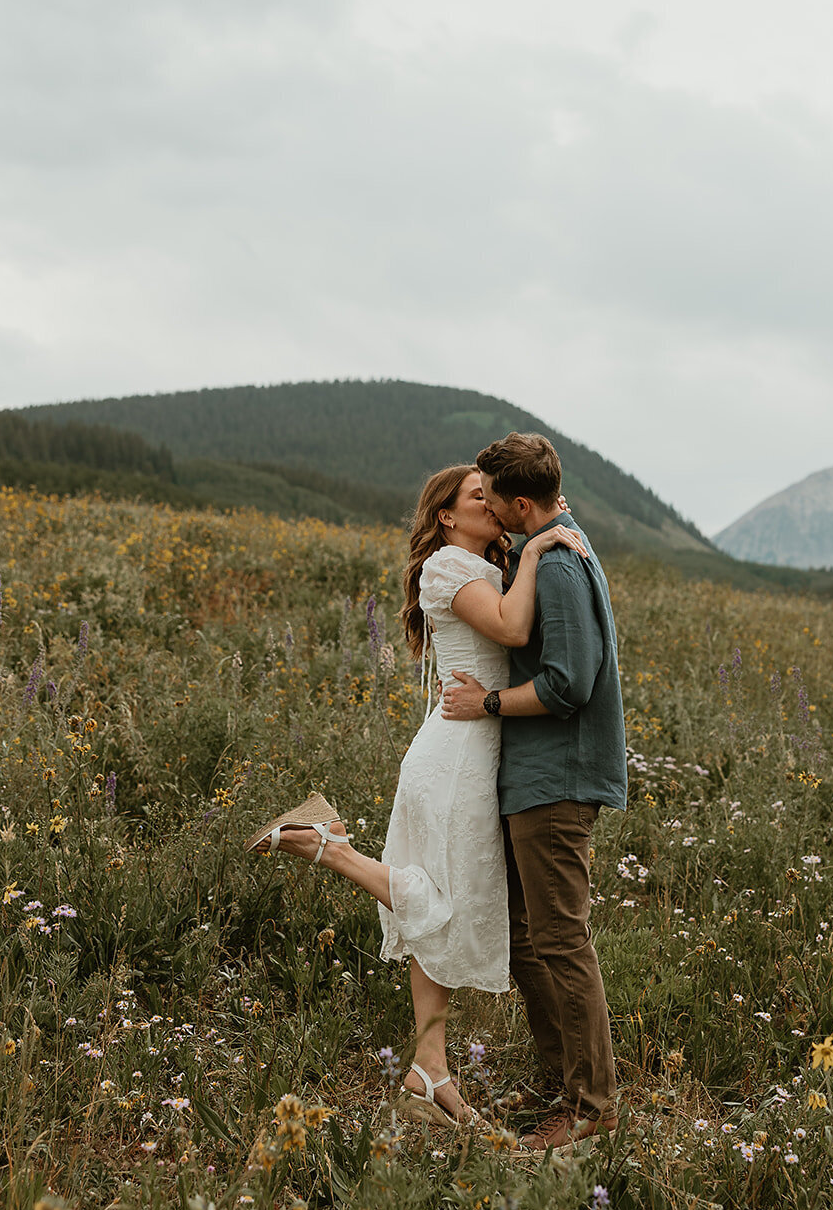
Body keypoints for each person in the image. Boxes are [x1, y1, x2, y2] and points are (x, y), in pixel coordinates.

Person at [245, 463, 587, 1129]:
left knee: (441, 897)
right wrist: (543, 543)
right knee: (451, 903)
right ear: (445, 517)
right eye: (475, 497)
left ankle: (428, 1071)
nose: (488, 505)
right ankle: (325, 847)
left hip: (474, 749)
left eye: (493, 496)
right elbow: (514, 633)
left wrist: (535, 530)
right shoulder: (446, 569)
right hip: (456, 756)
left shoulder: (488, 563)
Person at [441, 432, 627, 1150]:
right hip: (533, 777)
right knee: (529, 941)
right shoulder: (542, 548)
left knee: (559, 941)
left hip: (558, 777)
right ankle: (563, 1082)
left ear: (522, 502)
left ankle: (590, 1105)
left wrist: (486, 703)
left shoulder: (557, 567)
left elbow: (567, 684)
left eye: (490, 497)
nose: (482, 505)